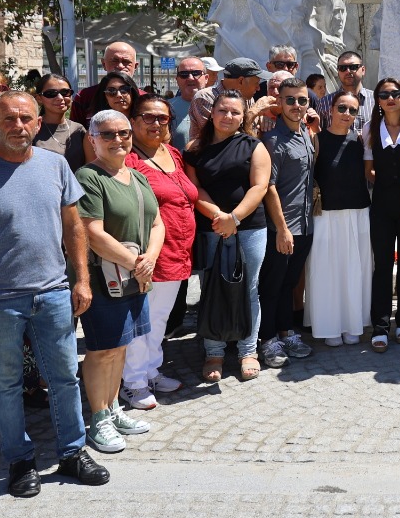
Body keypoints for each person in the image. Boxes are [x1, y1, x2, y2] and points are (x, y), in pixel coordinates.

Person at [0, 91, 110, 498]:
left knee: (64, 377)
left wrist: (82, 280)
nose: (18, 126)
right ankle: (19, 459)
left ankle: (72, 452)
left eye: (26, 119)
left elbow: (74, 228)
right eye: (9, 119)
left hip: (53, 293)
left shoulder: (56, 166)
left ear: (39, 124)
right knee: (5, 385)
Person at [74, 109, 164, 453]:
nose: (117, 140)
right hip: (104, 280)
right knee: (102, 350)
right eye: (108, 134)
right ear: (93, 139)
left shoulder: (136, 176)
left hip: (133, 278)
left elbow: (157, 223)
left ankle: (112, 410)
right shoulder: (88, 177)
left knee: (121, 347)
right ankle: (98, 419)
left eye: (123, 133)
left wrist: (149, 259)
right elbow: (91, 233)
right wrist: (137, 264)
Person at [184, 89, 272, 382]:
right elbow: (194, 189)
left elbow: (259, 188)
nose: (228, 116)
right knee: (211, 288)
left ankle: (248, 350)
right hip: (211, 227)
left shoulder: (254, 146)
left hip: (249, 227)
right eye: (223, 110)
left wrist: (233, 218)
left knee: (249, 289)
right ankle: (214, 352)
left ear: (243, 115)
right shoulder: (195, 148)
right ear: (213, 112)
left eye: (235, 112)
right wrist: (218, 218)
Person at [121, 94, 198, 409]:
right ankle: (133, 382)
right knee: (141, 319)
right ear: (134, 121)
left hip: (178, 251)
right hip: (149, 252)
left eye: (162, 118)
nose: (155, 123)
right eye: (148, 117)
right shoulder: (130, 158)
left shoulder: (173, 154)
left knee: (160, 317)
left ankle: (152, 370)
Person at [255, 78, 317, 367]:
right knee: (273, 284)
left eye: (301, 100)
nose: (296, 105)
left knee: (289, 282)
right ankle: (267, 339)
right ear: (279, 103)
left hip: (305, 224)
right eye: (290, 100)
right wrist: (281, 229)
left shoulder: (305, 132)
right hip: (282, 226)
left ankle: (286, 331)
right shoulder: (273, 139)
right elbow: (269, 187)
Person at [310, 90, 373, 346]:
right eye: (342, 108)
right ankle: (329, 326)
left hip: (358, 213)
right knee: (326, 271)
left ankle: (353, 323)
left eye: (352, 110)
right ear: (331, 110)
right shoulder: (316, 140)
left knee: (355, 271)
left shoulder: (361, 142)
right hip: (325, 215)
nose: (347, 114)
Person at [366, 76, 400, 350]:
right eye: (384, 94)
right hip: (382, 206)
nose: (391, 98)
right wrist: (387, 180)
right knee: (383, 266)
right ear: (377, 100)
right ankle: (380, 324)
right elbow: (369, 170)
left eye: (396, 93)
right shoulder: (370, 129)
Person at [72, 40, 139, 124]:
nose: (120, 66)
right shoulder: (84, 97)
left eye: (126, 62)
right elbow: (77, 132)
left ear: (135, 66)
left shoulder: (145, 98)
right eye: (114, 61)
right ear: (104, 64)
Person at [31, 73, 87, 171]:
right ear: (39, 98)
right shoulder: (32, 128)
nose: (60, 98)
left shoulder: (79, 129)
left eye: (65, 92)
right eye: (51, 94)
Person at [319, 50, 374, 136]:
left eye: (353, 67)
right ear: (338, 71)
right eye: (342, 68)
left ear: (363, 70)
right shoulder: (324, 103)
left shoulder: (377, 100)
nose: (348, 71)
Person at [169, 56, 210, 151]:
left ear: (206, 78)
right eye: (184, 74)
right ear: (177, 80)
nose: (190, 78)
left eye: (196, 73)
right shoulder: (166, 107)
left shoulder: (220, 106)